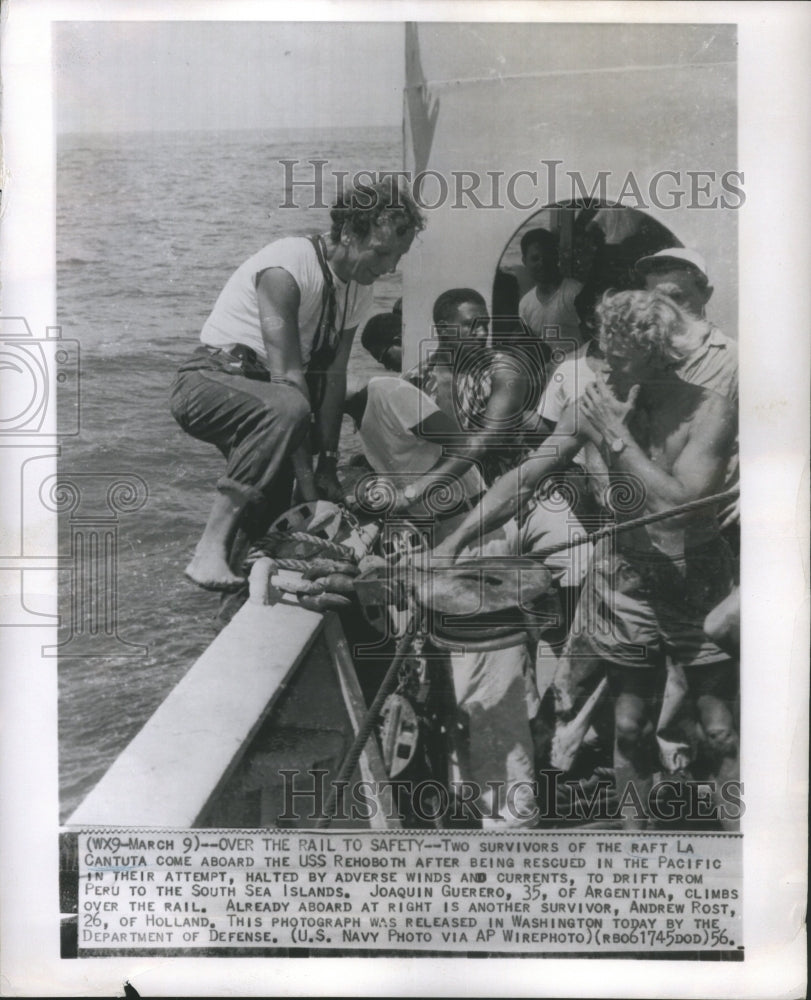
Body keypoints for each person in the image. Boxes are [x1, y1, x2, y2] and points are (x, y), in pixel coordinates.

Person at [435, 290, 738, 829]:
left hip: (695, 582)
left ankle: (741, 842)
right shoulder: (593, 403)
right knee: (629, 726)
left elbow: (674, 512)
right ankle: (634, 853)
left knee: (718, 728)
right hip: (622, 583)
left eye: (616, 355)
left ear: (654, 353)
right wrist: (454, 542)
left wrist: (617, 438)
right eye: (601, 350)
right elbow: (521, 480)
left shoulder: (709, 408)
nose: (602, 365)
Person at [170, 177, 424, 590]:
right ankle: (206, 549)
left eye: (399, 256)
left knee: (266, 515)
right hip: (210, 380)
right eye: (381, 252)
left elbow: (332, 376)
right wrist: (307, 483)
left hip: (270, 405)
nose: (389, 267)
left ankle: (234, 597)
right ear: (347, 233)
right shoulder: (287, 265)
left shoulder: (357, 291)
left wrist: (326, 465)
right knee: (290, 414)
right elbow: (287, 378)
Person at [518, 228, 584, 356]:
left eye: (546, 256)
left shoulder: (576, 293)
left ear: (556, 257)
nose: (542, 263)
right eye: (535, 258)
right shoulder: (525, 304)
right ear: (524, 261)